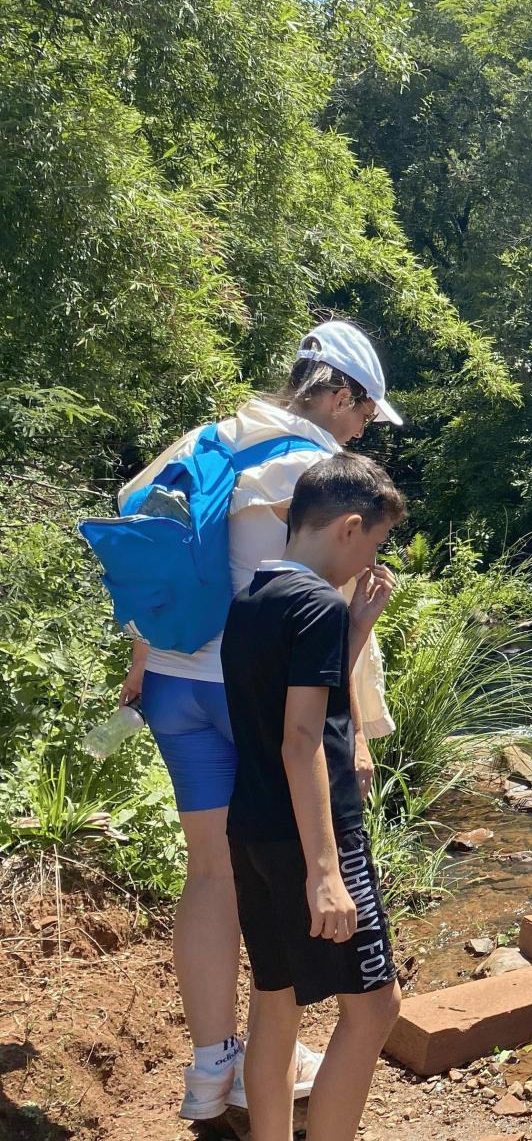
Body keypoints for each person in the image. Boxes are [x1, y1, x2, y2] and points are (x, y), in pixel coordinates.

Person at [110, 320, 402, 1119]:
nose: (364, 427)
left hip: (174, 679)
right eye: (366, 411)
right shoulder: (317, 469)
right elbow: (326, 614)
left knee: (209, 870)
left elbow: (144, 525)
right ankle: (275, 1045)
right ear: (336, 392)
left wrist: (143, 655)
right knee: (280, 850)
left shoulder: (210, 438)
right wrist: (364, 736)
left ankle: (214, 1069)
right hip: (253, 692)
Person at [222, 454, 405, 1141]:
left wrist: (355, 632)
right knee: (375, 1009)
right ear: (350, 528)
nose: (371, 559)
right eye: (375, 543)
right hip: (311, 838)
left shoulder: (253, 600)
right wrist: (327, 872)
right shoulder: (318, 605)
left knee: (275, 1004)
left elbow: (290, 703)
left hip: (254, 831)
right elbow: (301, 742)